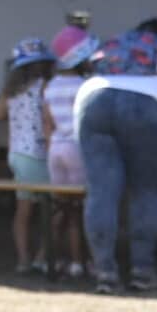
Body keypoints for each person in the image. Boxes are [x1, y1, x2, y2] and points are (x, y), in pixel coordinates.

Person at [73, 15, 157, 294]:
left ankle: (105, 273)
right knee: (145, 191)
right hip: (151, 108)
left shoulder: (118, 46)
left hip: (94, 100)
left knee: (101, 192)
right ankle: (142, 271)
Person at [0, 37, 56, 276]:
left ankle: (23, 259)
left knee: (23, 210)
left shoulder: (10, 91)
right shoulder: (46, 87)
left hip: (17, 153)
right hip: (38, 153)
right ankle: (42, 257)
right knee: (54, 208)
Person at [43, 27, 94, 282]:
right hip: (77, 148)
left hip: (56, 148)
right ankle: (80, 262)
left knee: (59, 207)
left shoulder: (50, 86)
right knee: (78, 209)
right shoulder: (86, 86)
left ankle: (51, 259)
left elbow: (47, 123)